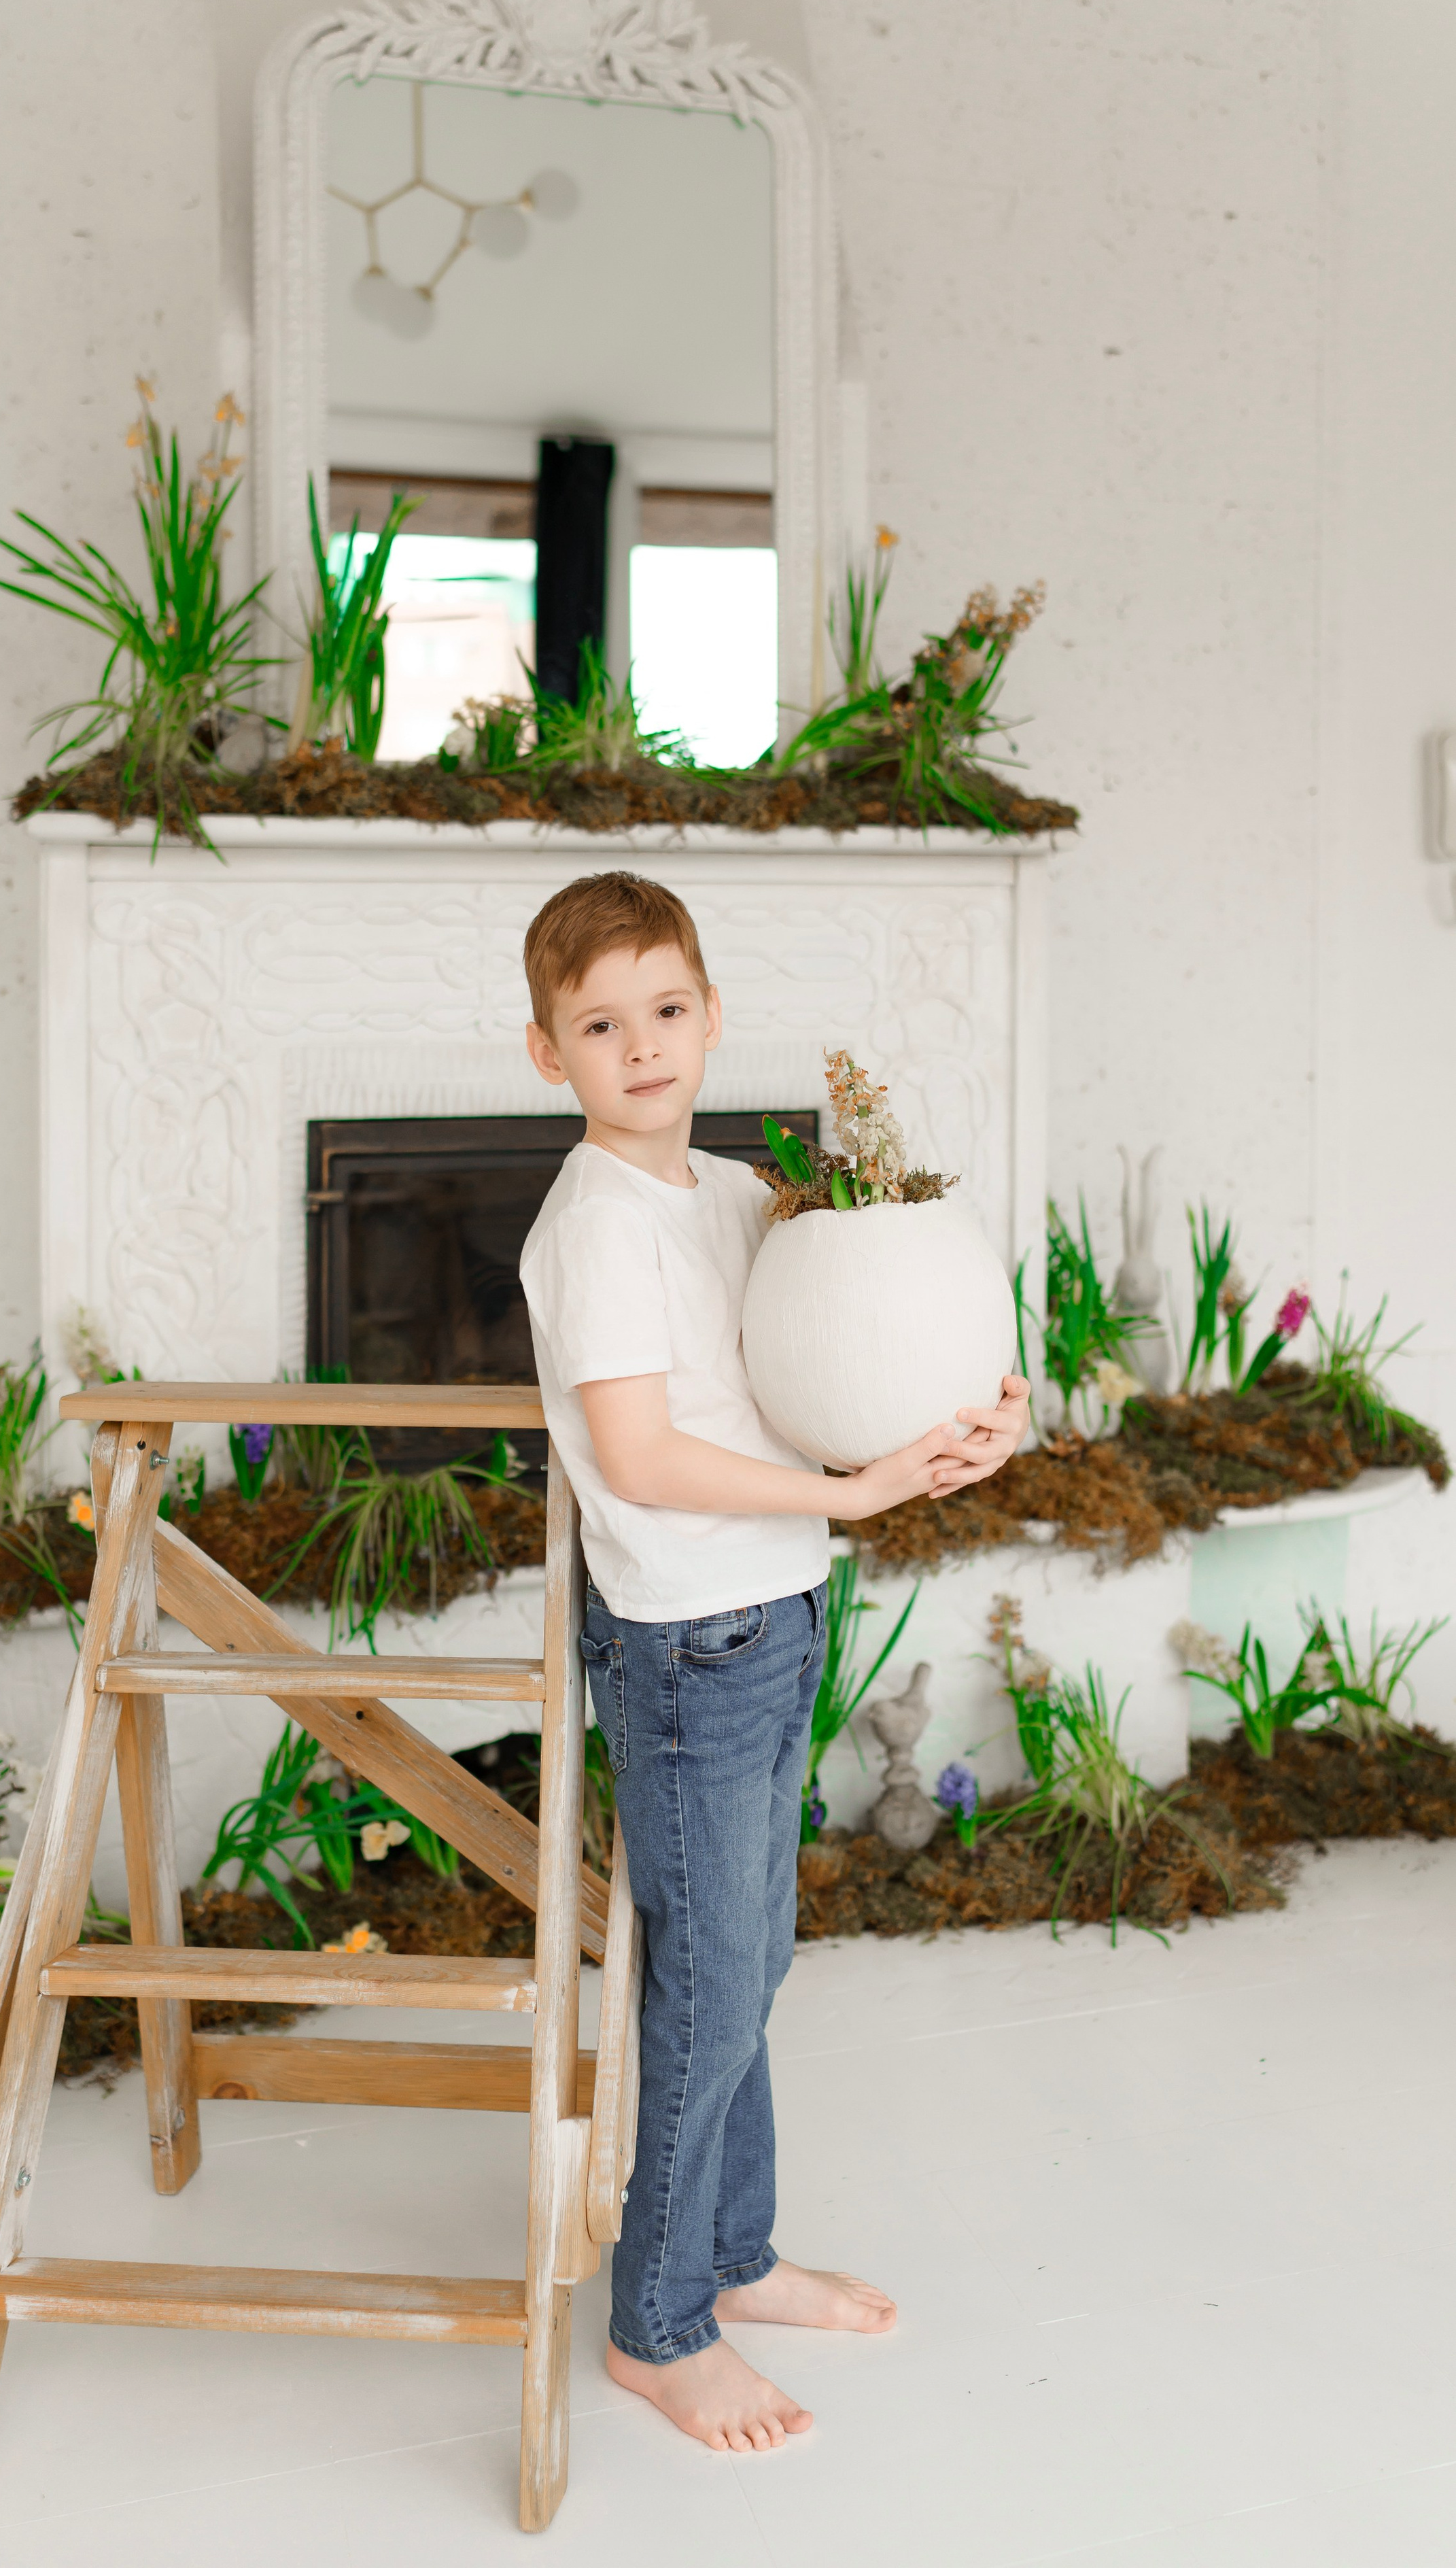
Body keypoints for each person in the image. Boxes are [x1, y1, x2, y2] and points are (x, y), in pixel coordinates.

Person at [518, 869, 1030, 2454]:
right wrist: (843, 1497)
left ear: (710, 1015)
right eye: (600, 1025)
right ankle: (659, 2329)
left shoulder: (735, 1197)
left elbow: (843, 1358)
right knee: (707, 1986)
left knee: (752, 1969)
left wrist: (964, 1429)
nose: (642, 1045)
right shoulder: (596, 1227)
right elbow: (645, 1455)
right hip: (684, 1639)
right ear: (549, 1054)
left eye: (665, 1010)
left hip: (772, 1616)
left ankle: (730, 2260)